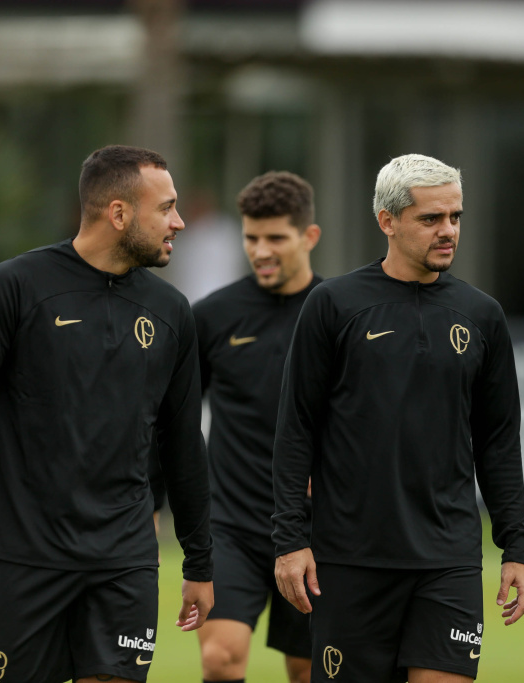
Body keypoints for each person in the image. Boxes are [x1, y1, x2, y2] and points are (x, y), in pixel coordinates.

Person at [0, 145, 214, 683]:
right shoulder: (16, 285)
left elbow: (182, 442)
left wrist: (200, 563)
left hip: (124, 561)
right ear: (118, 214)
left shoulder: (172, 311)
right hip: (21, 559)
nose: (179, 222)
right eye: (167, 207)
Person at [272, 153, 524, 683]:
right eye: (431, 218)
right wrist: (290, 541)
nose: (448, 231)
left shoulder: (482, 316)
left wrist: (516, 546)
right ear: (387, 221)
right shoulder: (334, 305)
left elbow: (498, 441)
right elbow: (296, 429)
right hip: (349, 561)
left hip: (449, 561)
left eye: (455, 217)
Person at [193, 171, 322, 683]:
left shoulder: (339, 312)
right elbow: (173, 422)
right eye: (251, 237)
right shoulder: (212, 316)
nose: (260, 250)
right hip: (230, 525)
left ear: (309, 237)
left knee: (310, 671)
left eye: (275, 238)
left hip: (318, 530)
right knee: (220, 658)